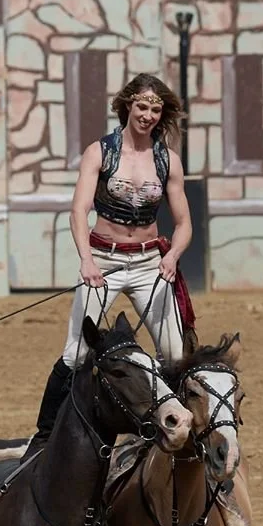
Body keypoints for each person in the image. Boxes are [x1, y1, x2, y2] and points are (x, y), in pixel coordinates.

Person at [21, 73, 196, 462]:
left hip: (151, 261)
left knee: (175, 352)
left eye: (155, 109)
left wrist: (172, 257)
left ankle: (182, 436)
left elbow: (183, 223)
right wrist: (86, 259)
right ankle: (46, 438)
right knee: (76, 352)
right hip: (104, 259)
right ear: (128, 105)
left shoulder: (168, 160)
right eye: (142, 106)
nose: (148, 115)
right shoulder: (101, 152)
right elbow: (79, 210)